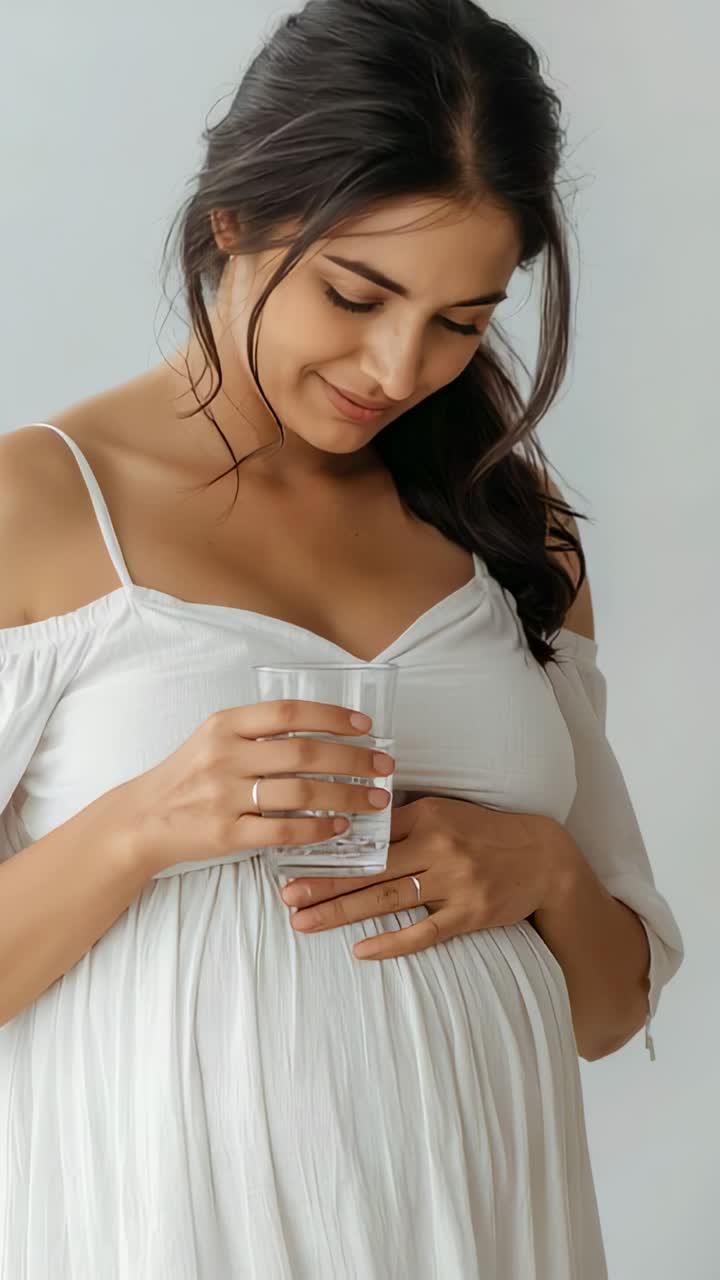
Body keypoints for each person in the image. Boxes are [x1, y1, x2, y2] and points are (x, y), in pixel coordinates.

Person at [0, 1, 684, 1276]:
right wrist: (143, 822)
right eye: (356, 293)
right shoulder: (35, 506)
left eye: (462, 320)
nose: (396, 364)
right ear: (235, 219)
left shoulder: (511, 527)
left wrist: (544, 872)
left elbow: (612, 1005)